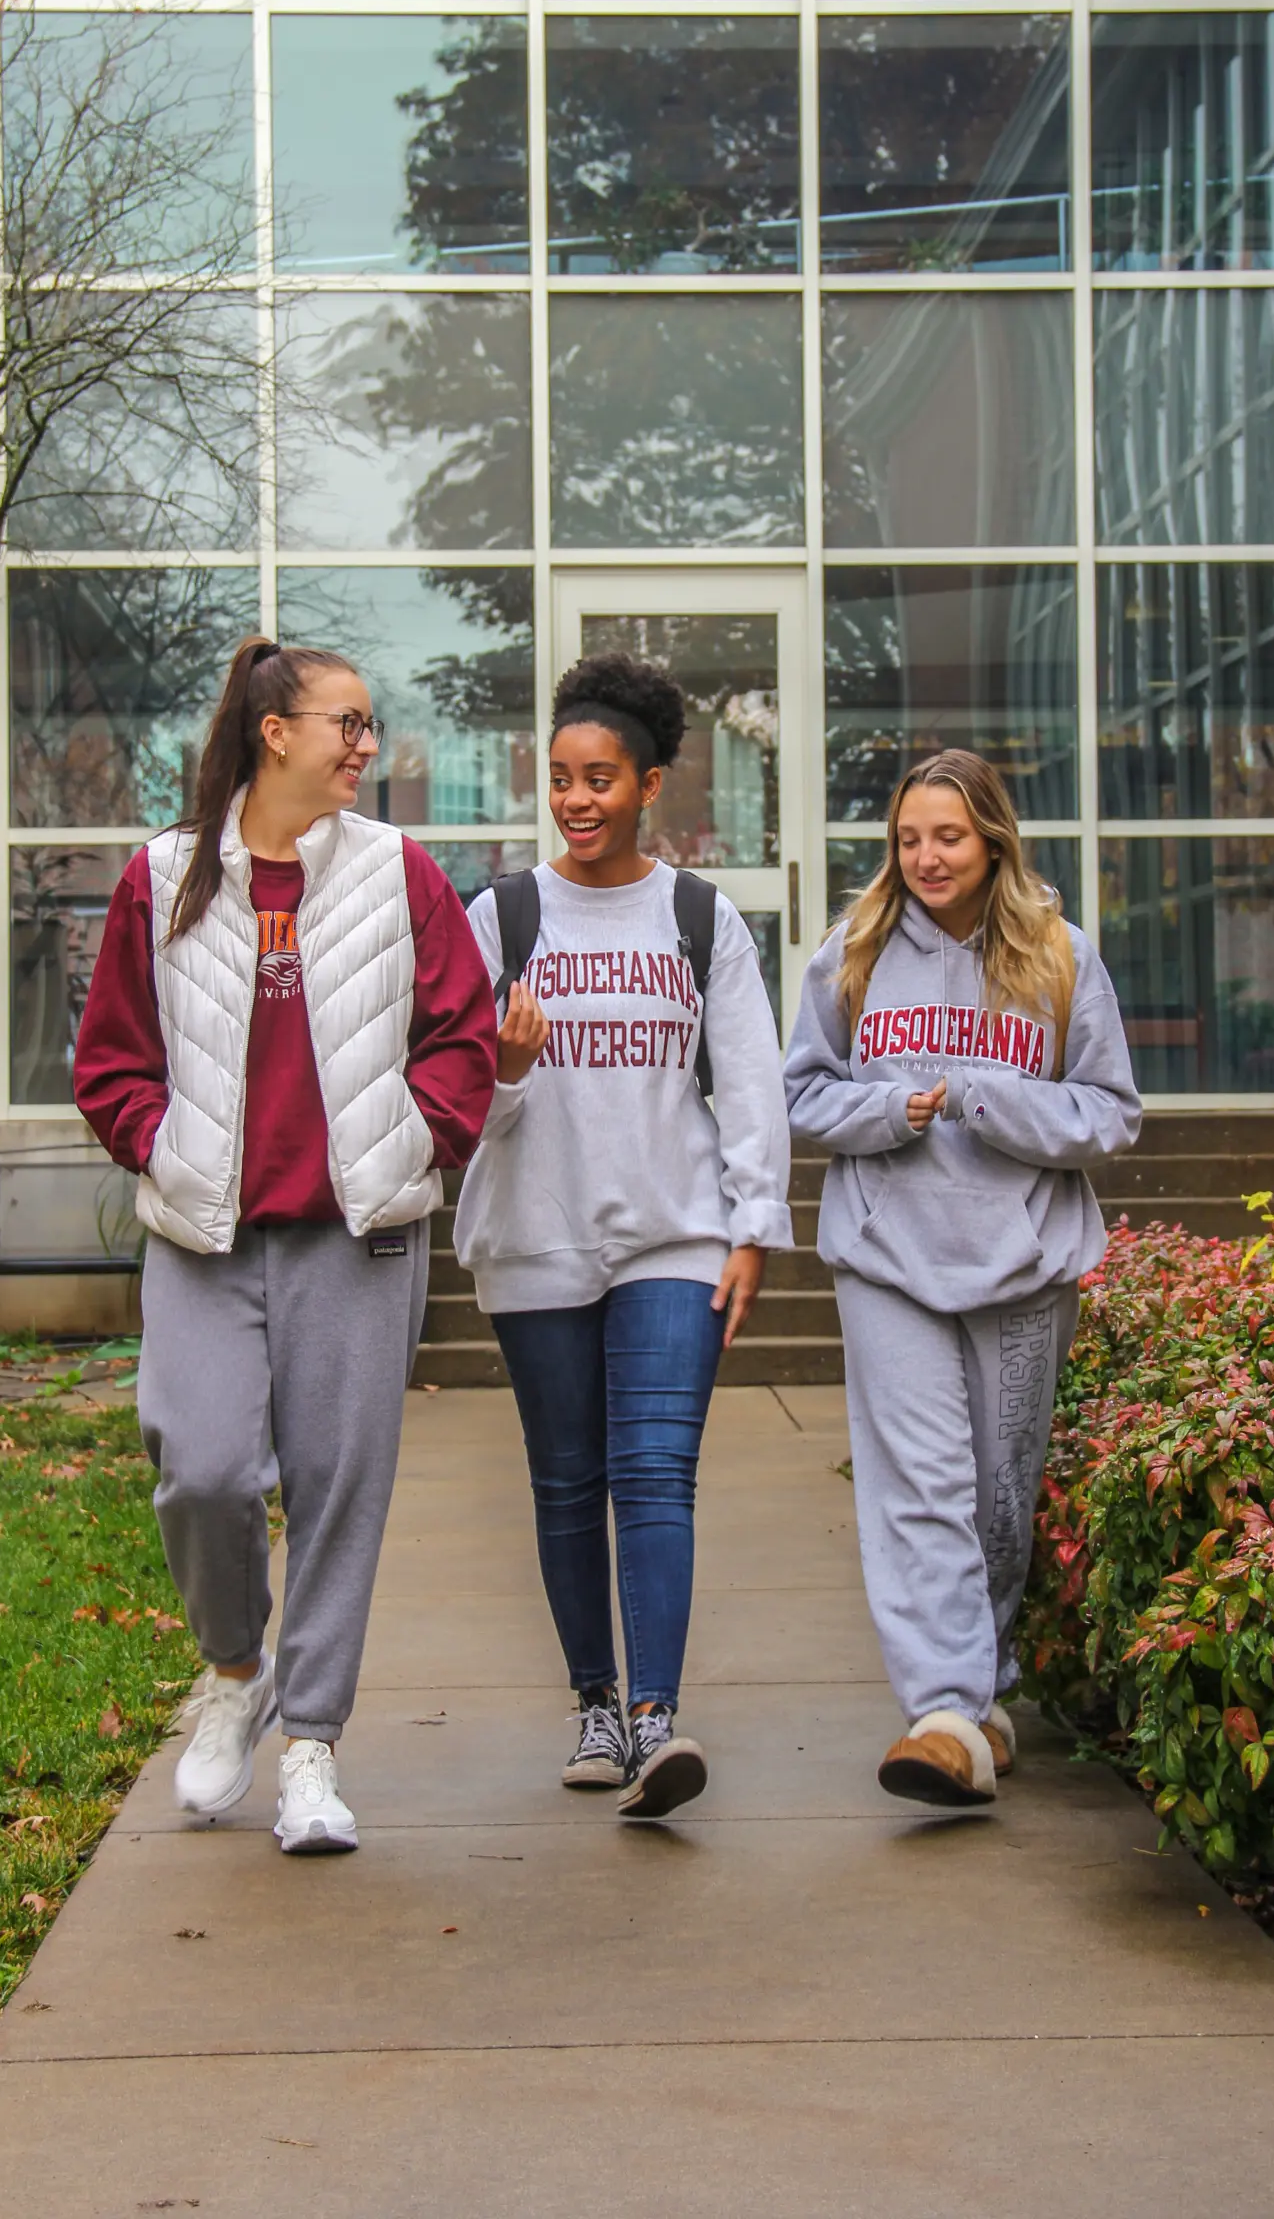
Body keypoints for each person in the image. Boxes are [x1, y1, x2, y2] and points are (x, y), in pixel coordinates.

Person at [75, 636, 497, 1855]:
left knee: (337, 1493)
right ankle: (232, 1668)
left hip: (353, 1234)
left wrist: (423, 1141)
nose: (366, 746)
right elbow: (110, 1058)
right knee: (201, 1467)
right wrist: (159, 1146)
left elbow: (460, 1031)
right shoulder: (164, 877)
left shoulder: (397, 872)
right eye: (346, 723)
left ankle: (311, 1743)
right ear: (275, 732)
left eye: (369, 726)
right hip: (207, 1232)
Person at [453, 652, 793, 1819]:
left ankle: (656, 1721)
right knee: (565, 1481)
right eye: (560, 777)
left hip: (672, 1233)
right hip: (536, 1232)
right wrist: (502, 1070)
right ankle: (594, 1700)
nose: (578, 799)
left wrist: (752, 1229)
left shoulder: (701, 918)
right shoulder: (499, 917)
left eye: (602, 777)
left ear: (653, 783)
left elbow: (751, 1087)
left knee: (656, 1472)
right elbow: (457, 1104)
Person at [784, 750, 1140, 1809]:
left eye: (947, 836)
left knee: (997, 1500)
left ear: (992, 839)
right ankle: (941, 1707)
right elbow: (802, 1093)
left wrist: (992, 1102)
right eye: (907, 838)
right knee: (919, 1488)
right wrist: (893, 1112)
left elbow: (1112, 1113)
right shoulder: (849, 955)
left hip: (1025, 1262)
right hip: (888, 1256)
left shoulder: (1062, 958)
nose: (926, 857)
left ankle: (982, 1695)